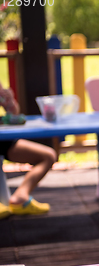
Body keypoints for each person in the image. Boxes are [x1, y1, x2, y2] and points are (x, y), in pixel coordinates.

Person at [0, 82, 57, 219]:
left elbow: (13, 113)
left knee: (48, 156)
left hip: (3, 139)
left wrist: (10, 103)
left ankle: (21, 196)